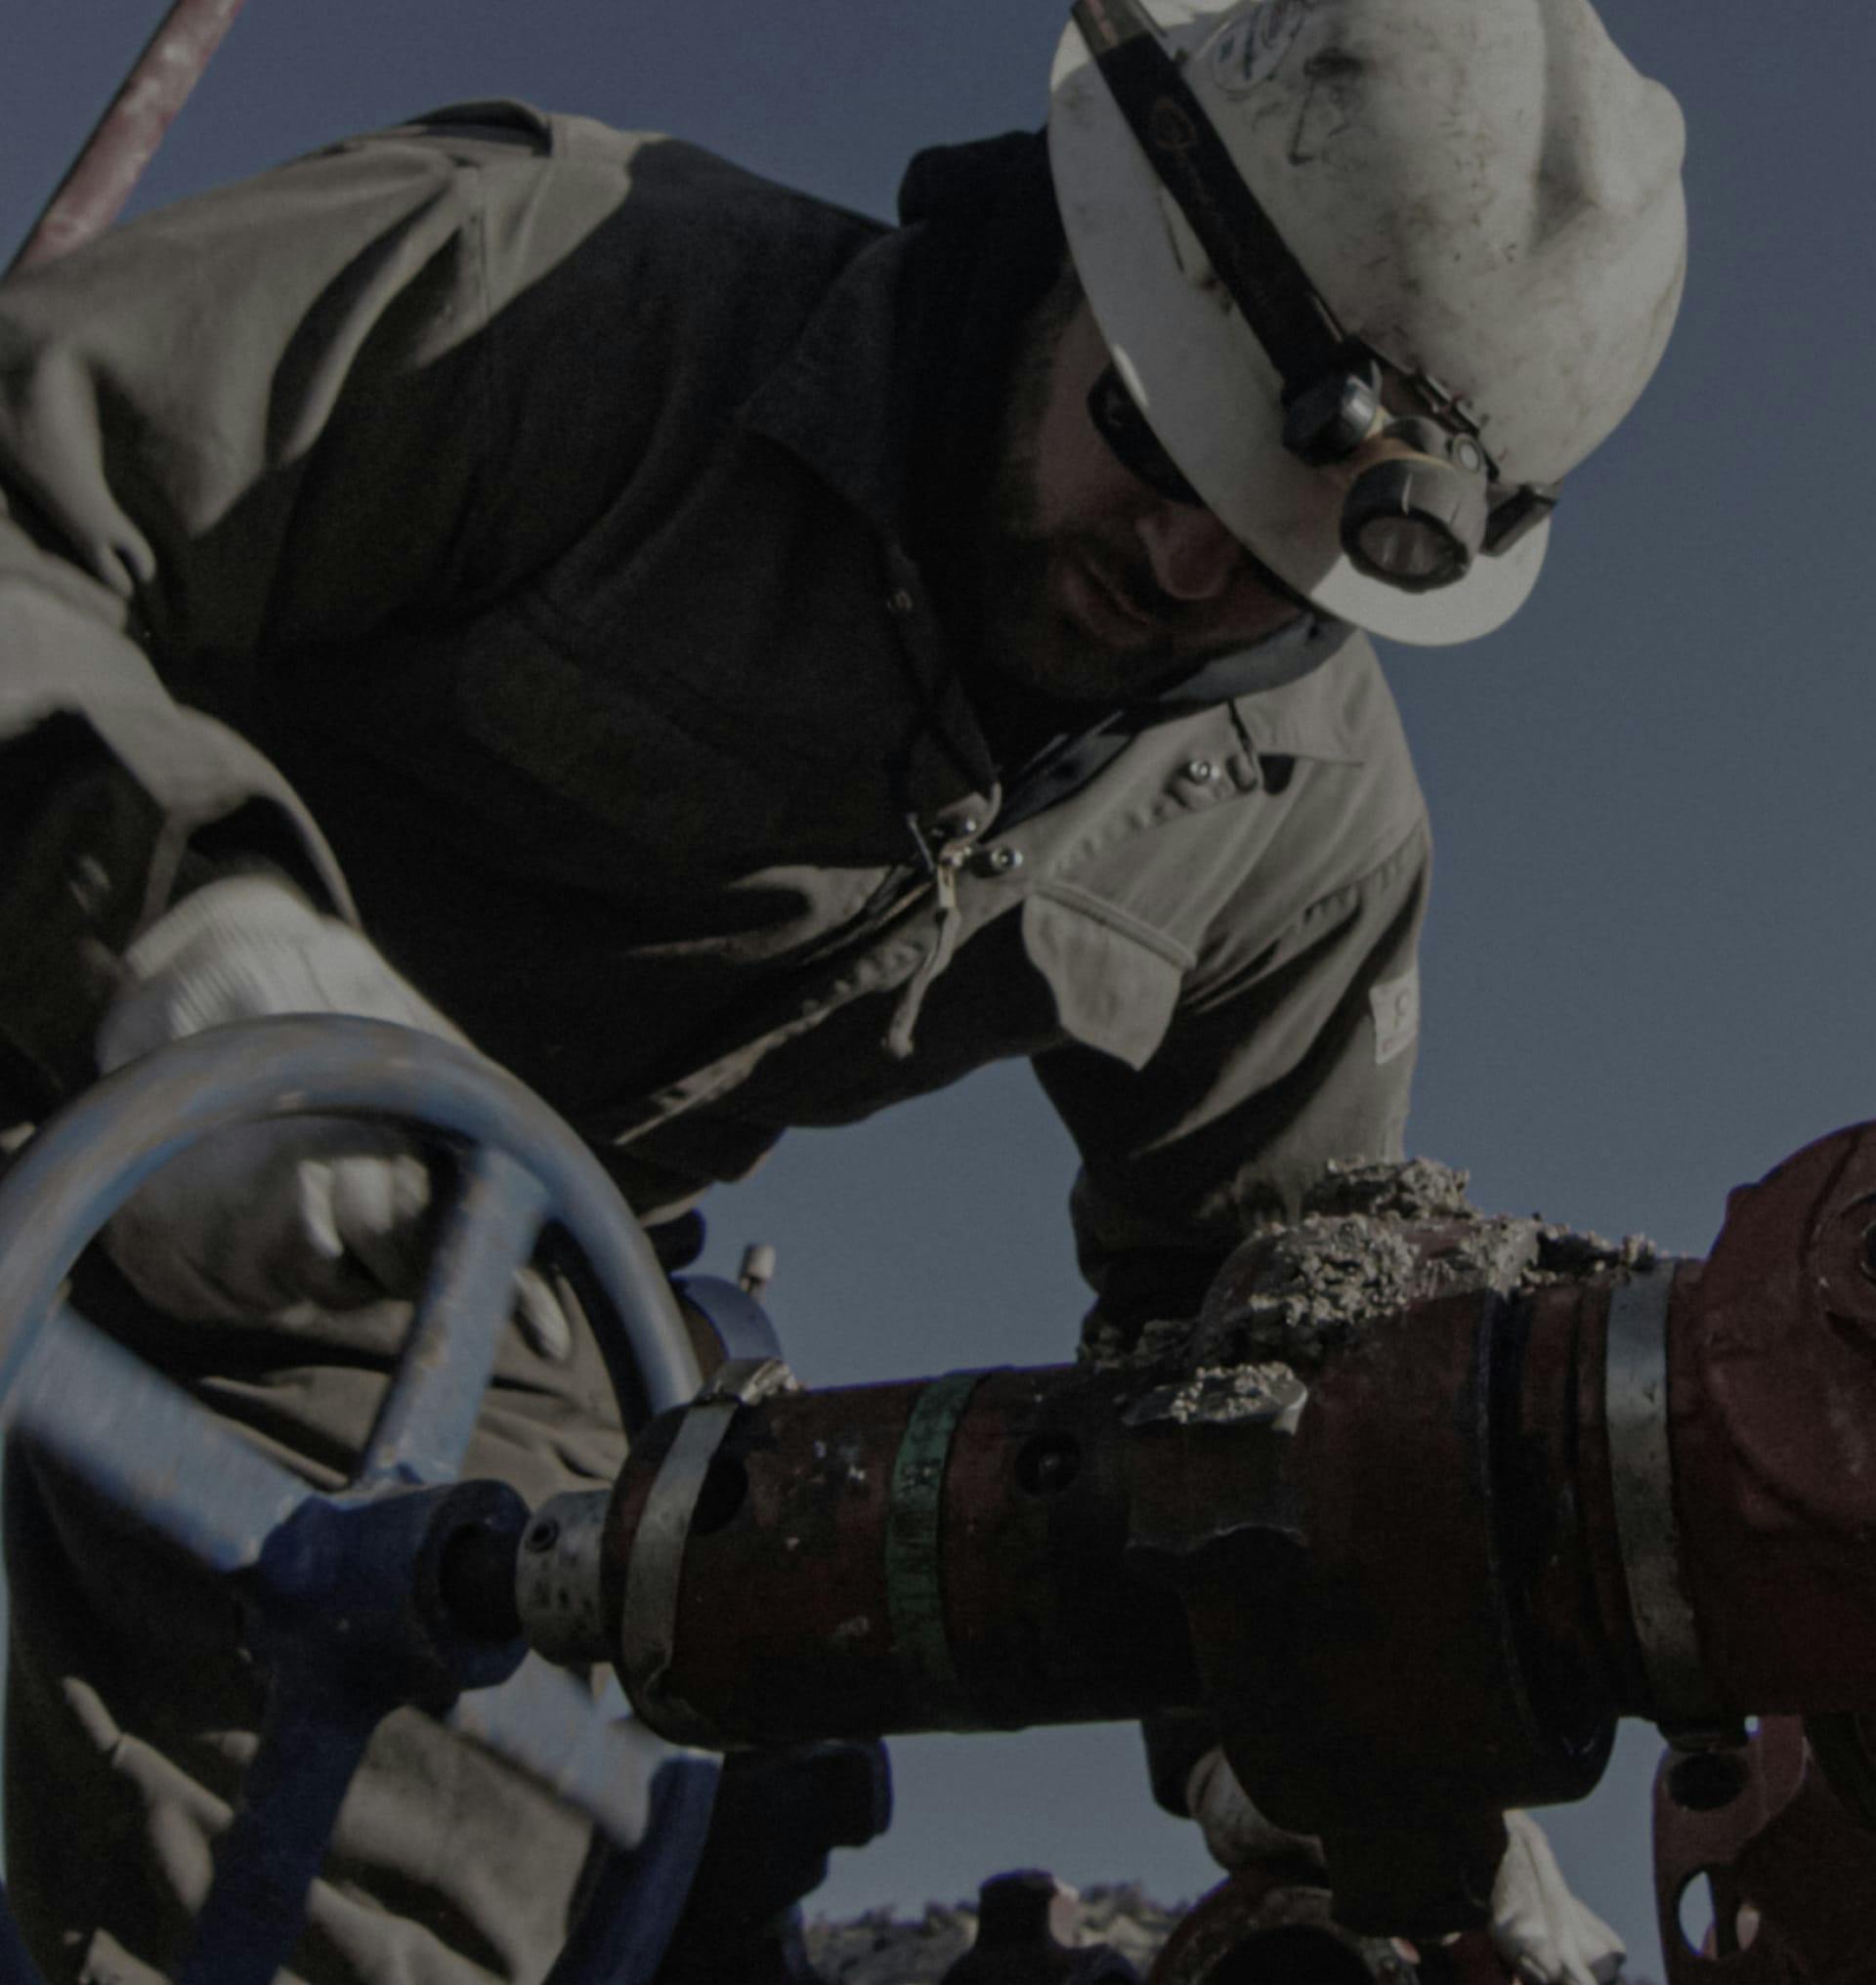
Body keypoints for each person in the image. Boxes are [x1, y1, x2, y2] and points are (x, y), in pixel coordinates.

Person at [0, 0, 1684, 1978]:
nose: (1176, 562)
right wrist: (171, 925)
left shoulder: (1295, 835)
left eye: (1280, 565)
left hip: (431, 1309)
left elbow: (1248, 1353)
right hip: (81, 1017)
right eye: (1154, 441)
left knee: (519, 1845)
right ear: (1100, 238)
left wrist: (1343, 1755)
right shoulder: (561, 283)